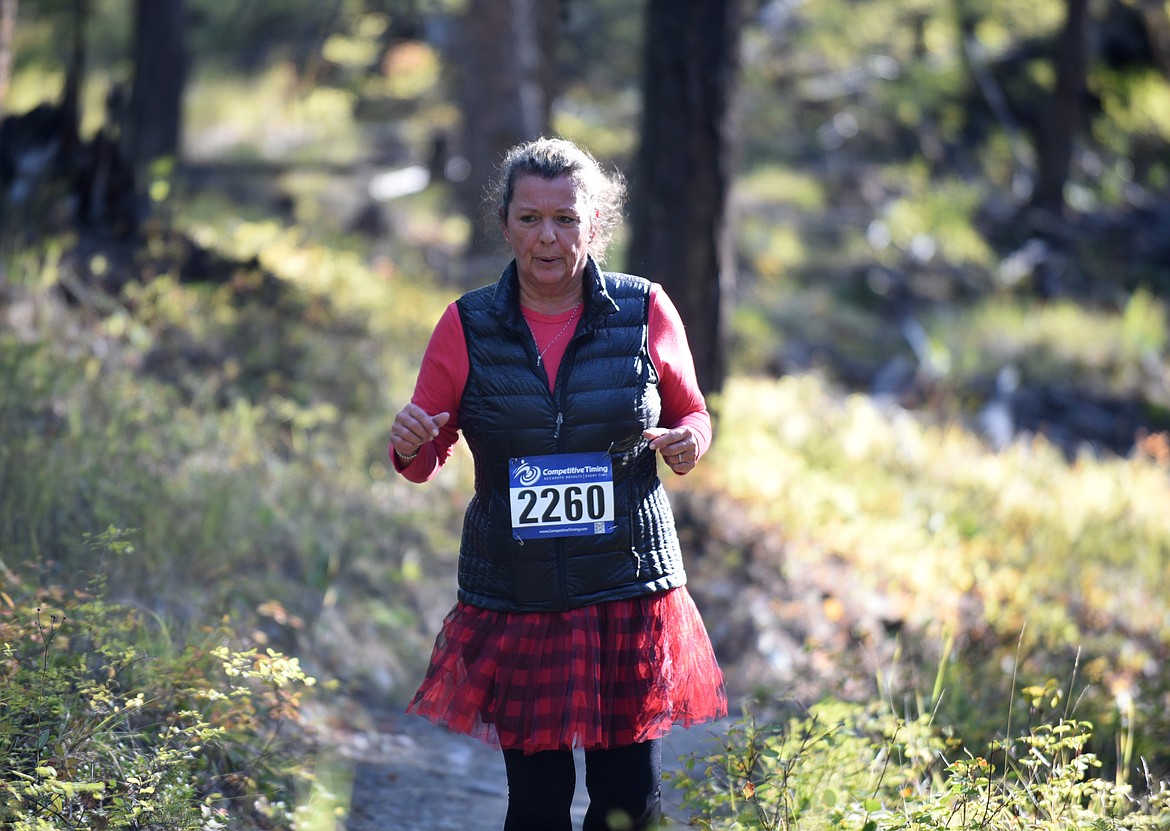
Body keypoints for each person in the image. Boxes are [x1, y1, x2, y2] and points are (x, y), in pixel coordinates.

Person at [390, 136, 726, 831]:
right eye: (530, 218)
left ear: (595, 223)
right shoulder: (467, 325)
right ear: (506, 223)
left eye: (566, 218)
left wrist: (690, 440)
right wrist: (410, 443)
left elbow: (692, 411)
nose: (548, 237)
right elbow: (424, 455)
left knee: (627, 801)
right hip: (520, 596)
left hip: (626, 587)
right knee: (538, 806)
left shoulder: (644, 309)